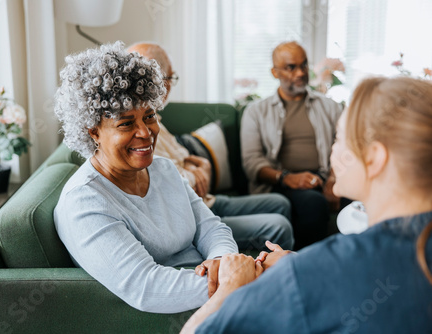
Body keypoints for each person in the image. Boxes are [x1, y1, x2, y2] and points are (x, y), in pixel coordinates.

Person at [182, 76, 432, 333]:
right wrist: (299, 262)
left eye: (338, 138)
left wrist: (232, 284)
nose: (332, 151)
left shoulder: (309, 276)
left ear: (374, 158)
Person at [53, 41, 239, 314]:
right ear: (93, 131)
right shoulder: (84, 202)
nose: (145, 132)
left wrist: (222, 259)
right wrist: (237, 280)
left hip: (219, 291)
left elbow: (212, 228)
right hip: (193, 308)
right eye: (126, 123)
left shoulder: (163, 168)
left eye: (149, 116)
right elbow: (148, 288)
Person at [127, 42, 294, 251]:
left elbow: (182, 156)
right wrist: (198, 173)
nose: (166, 87)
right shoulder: (136, 134)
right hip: (192, 212)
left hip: (205, 201)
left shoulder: (154, 119)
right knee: (279, 227)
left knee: (280, 202)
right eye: (167, 78)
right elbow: (171, 182)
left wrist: (198, 165)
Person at [240, 41, 343, 249]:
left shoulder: (329, 106)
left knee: (357, 198)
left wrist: (333, 179)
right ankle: (308, 268)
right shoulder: (256, 111)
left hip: (323, 175)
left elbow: (344, 144)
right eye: (291, 67)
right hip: (280, 183)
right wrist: (288, 178)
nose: (300, 73)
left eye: (303, 65)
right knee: (313, 203)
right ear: (274, 72)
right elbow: (252, 163)